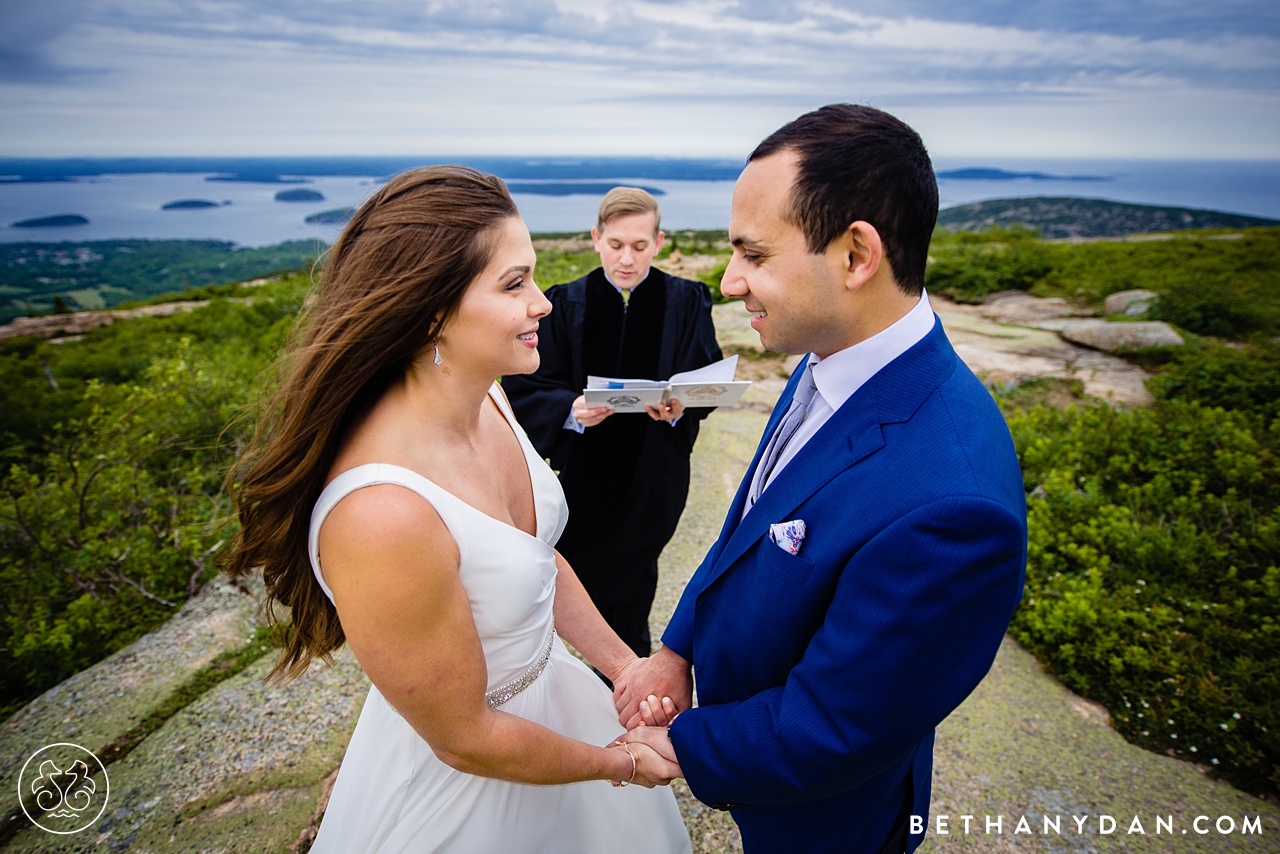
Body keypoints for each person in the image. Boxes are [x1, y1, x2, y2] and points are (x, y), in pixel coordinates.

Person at [227, 166, 691, 854]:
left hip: (558, 705)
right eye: (513, 284)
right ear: (432, 311)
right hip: (468, 797)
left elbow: (532, 559)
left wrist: (625, 669)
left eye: (532, 277)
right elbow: (465, 738)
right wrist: (619, 763)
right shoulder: (381, 513)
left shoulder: (492, 396)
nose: (543, 304)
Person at [615, 105, 1029, 854]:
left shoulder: (956, 508)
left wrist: (685, 745)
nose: (730, 280)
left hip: (830, 824)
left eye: (756, 255)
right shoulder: (833, 358)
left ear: (855, 255)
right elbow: (752, 523)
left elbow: (837, 726)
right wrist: (677, 650)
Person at [502, 188, 721, 660]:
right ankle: (576, 670)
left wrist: (682, 405)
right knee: (568, 573)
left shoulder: (685, 300)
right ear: (597, 238)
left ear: (659, 242)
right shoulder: (564, 303)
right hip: (582, 474)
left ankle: (624, 677)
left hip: (654, 472)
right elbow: (526, 385)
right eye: (616, 244)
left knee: (633, 580)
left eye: (640, 246)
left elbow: (704, 375)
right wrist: (570, 409)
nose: (627, 258)